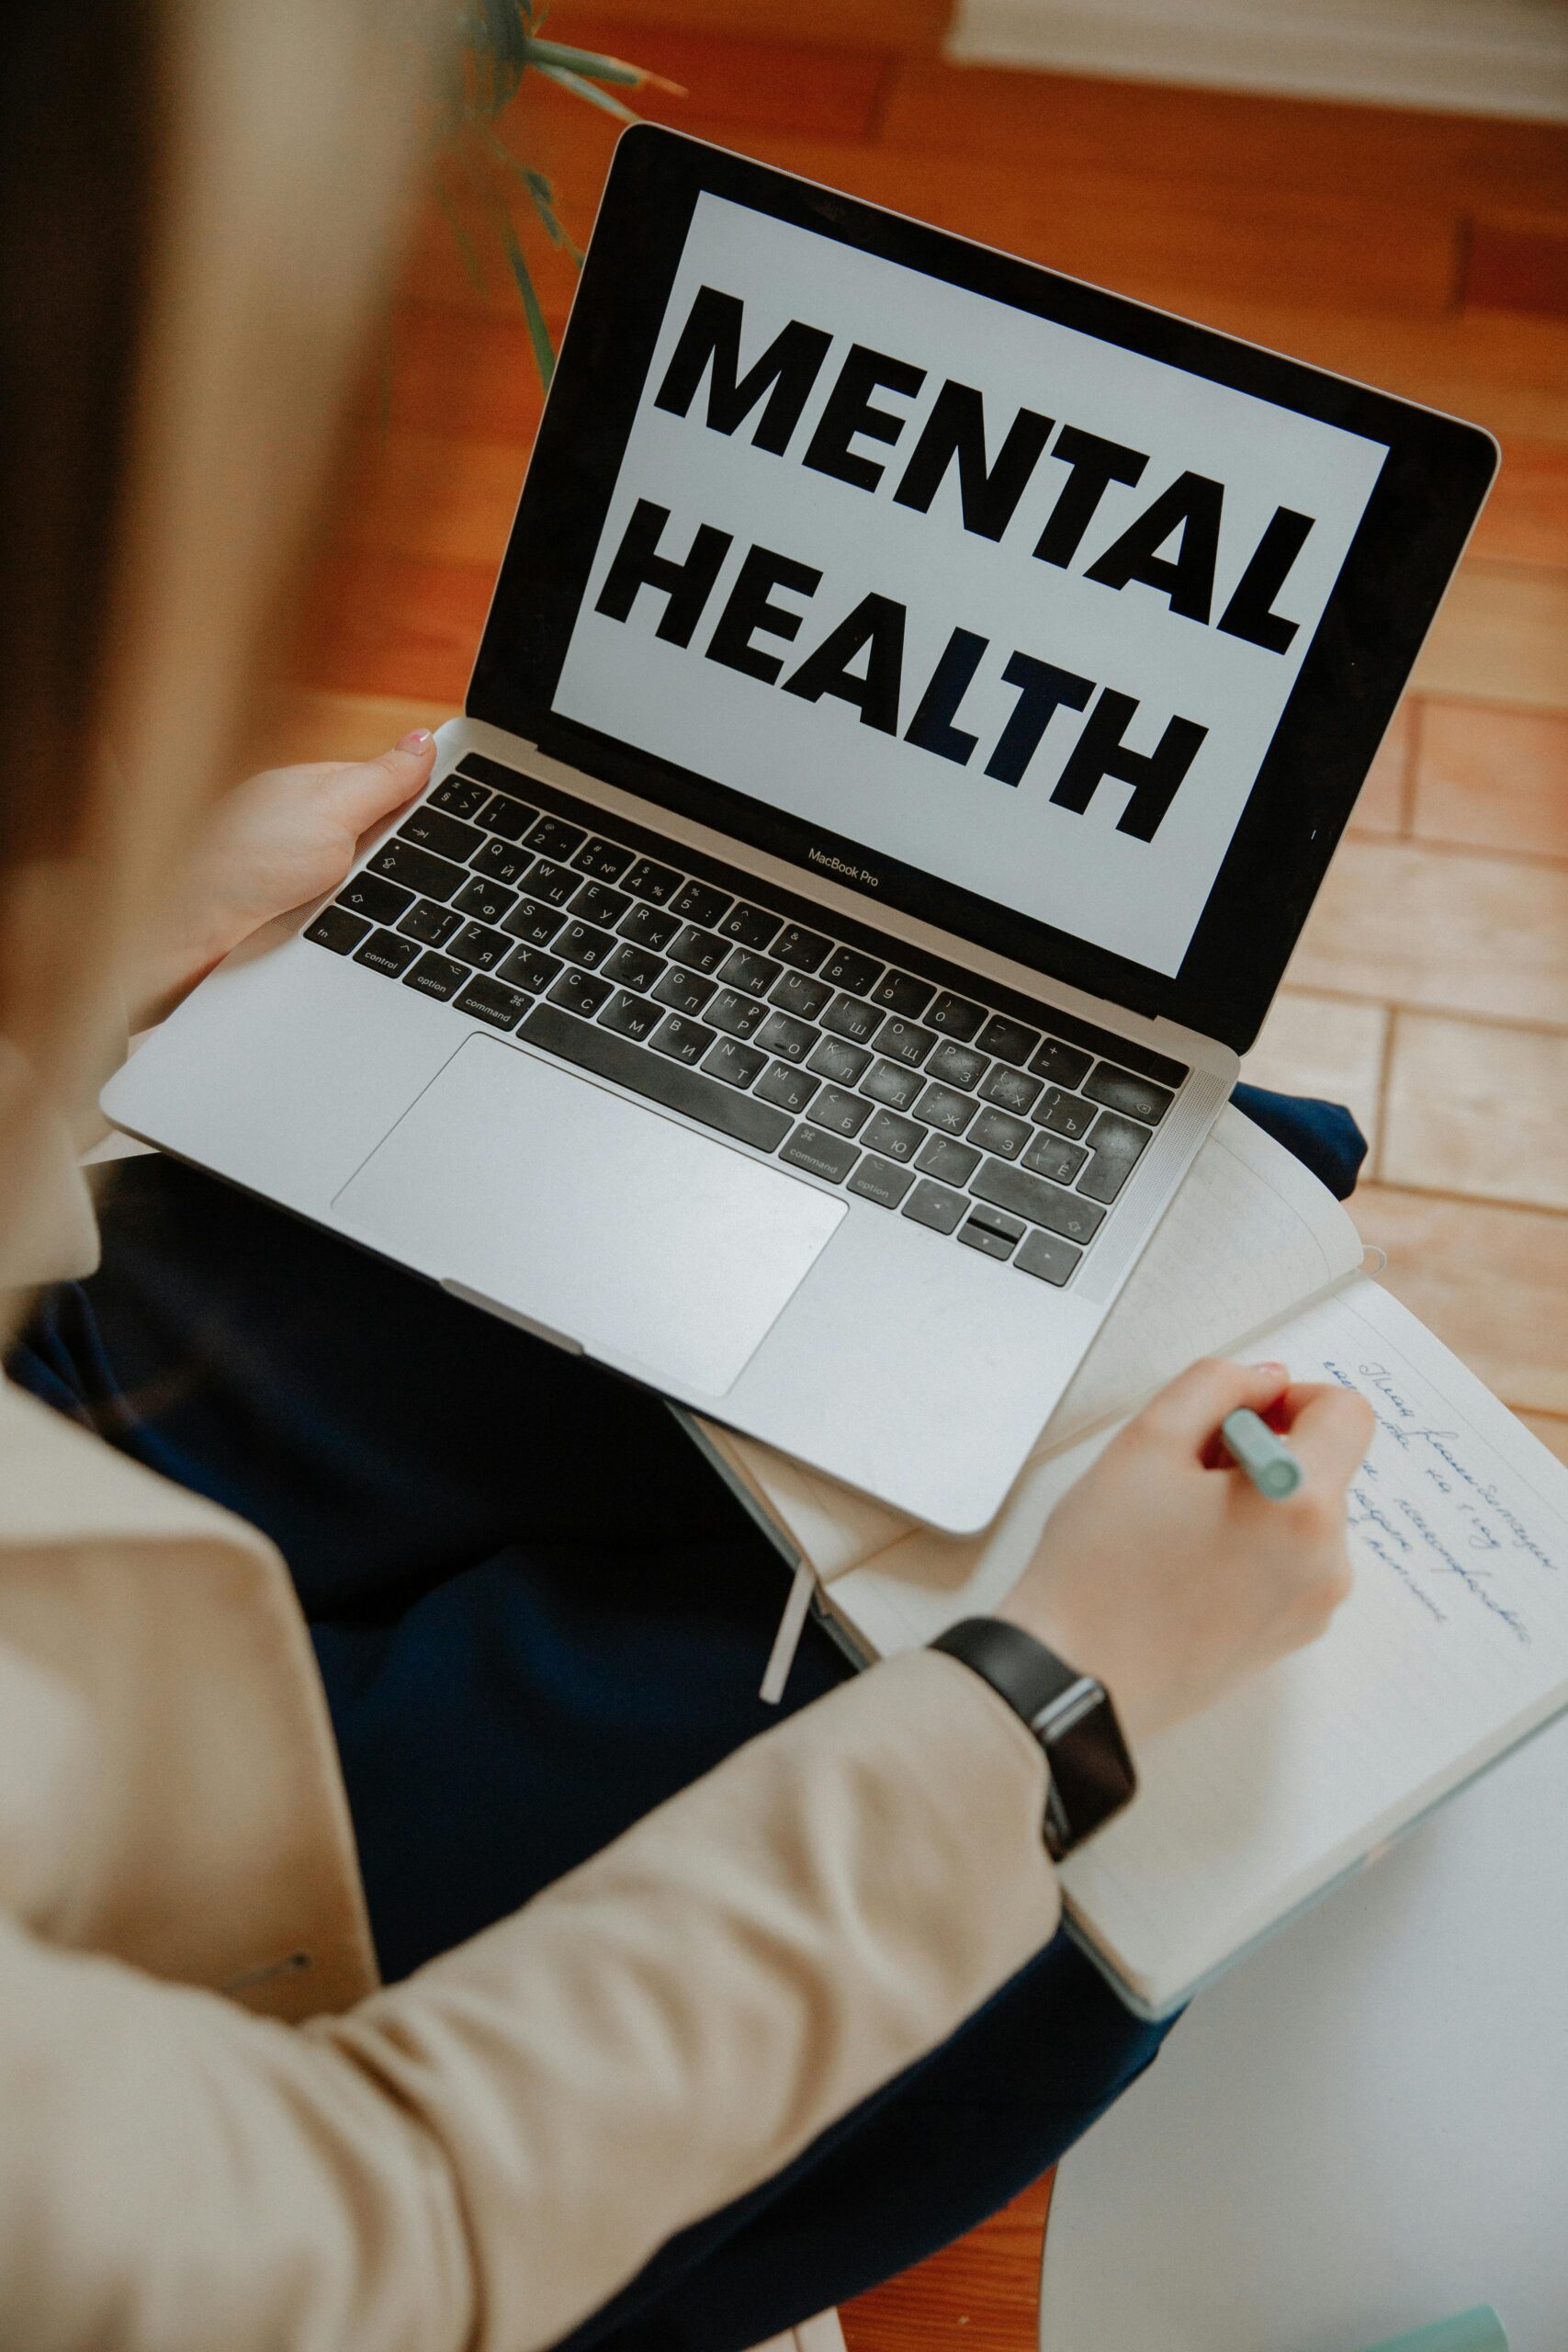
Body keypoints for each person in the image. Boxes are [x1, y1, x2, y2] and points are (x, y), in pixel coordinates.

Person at [0, 3, 1376, 2346]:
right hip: (151, 1949)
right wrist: (1070, 1692)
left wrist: (113, 935)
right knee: (1128, 1843)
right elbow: (389, 2228)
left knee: (1213, 1185)